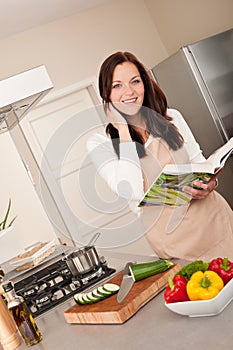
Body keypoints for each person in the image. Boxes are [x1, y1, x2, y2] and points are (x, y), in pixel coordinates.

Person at [87, 51, 233, 261]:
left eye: (135, 81)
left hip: (214, 218)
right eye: (117, 85)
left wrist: (210, 184)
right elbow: (133, 190)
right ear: (106, 94)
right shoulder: (100, 143)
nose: (128, 91)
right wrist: (123, 129)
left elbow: (198, 162)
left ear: (144, 84)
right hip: (173, 240)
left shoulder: (172, 118)